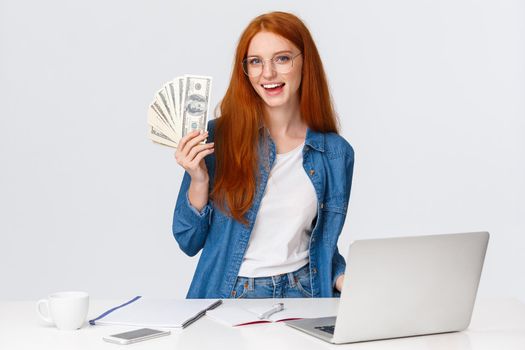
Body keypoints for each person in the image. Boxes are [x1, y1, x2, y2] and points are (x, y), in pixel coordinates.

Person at [172, 11, 354, 299]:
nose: (267, 73)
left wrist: (347, 279)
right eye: (256, 62)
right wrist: (198, 179)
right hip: (233, 293)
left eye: (282, 58)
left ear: (305, 63)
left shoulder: (334, 153)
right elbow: (188, 240)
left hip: (305, 292)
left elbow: (322, 245)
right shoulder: (219, 138)